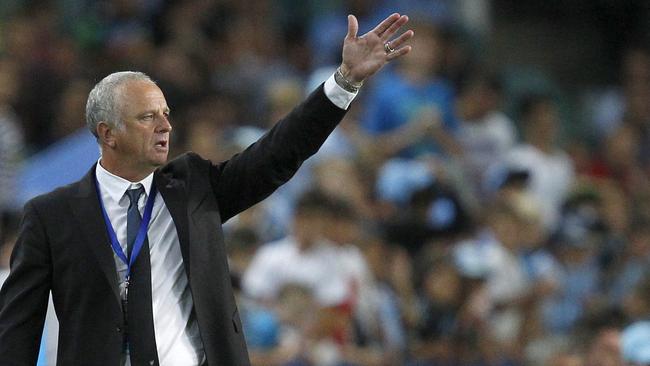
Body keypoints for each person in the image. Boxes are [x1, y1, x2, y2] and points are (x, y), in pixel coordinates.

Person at [0, 13, 414, 366]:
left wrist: (343, 82)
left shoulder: (194, 189)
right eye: (148, 117)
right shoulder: (50, 216)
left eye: (165, 114)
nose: (166, 126)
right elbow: (17, 332)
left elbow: (276, 154)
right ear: (108, 133)